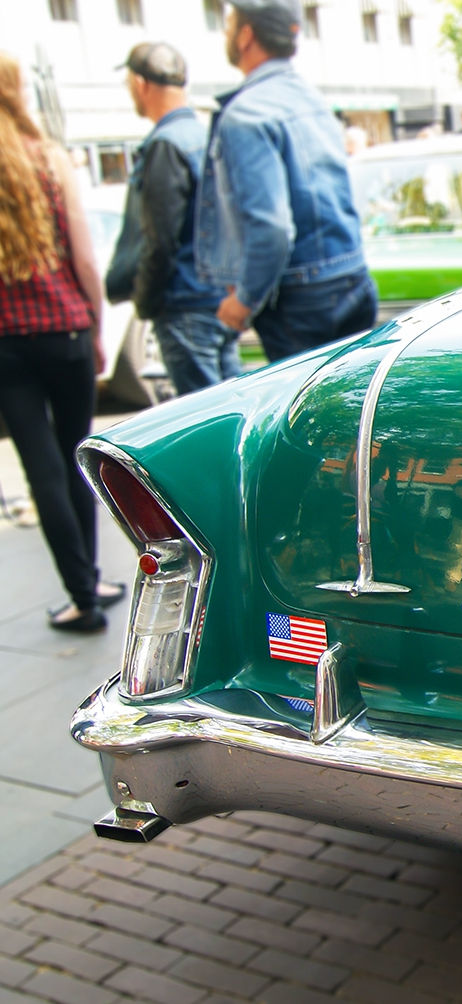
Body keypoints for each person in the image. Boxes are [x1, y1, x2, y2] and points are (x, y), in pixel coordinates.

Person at [0, 51, 125, 632]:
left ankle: (82, 596)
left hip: (6, 344)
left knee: (41, 467)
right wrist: (96, 329)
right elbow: (83, 258)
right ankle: (96, 577)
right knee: (77, 455)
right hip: (67, 328)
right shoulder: (49, 159)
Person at [197, 0, 377, 363]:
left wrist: (244, 300)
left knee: (306, 419)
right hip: (351, 277)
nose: (226, 32)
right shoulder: (309, 97)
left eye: (230, 23)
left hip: (300, 297)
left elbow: (271, 227)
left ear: (246, 35)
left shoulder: (247, 113)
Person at [106, 42, 239, 396]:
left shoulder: (166, 143)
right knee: (231, 411)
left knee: (205, 421)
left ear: (139, 83)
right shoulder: (206, 134)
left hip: (186, 304)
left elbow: (158, 239)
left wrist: (146, 302)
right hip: (219, 298)